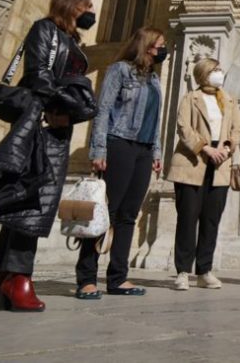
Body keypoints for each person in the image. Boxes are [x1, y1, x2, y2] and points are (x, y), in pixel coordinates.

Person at [0, 0, 96, 312]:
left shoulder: (73, 42)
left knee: (27, 200)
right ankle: (18, 279)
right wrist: (67, 105)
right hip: (42, 125)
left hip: (58, 126)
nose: (91, 12)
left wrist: (72, 110)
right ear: (71, 6)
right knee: (34, 202)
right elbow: (39, 76)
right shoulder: (45, 30)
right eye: (86, 6)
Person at [75, 26, 167, 299]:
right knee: (106, 213)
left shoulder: (154, 79)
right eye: (160, 44)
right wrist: (98, 149)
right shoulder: (120, 70)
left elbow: (155, 119)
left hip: (144, 149)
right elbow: (102, 110)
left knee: (129, 215)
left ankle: (118, 277)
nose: (163, 49)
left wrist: (157, 152)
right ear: (147, 46)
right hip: (119, 143)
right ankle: (87, 278)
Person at [167, 57, 240, 290]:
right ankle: (182, 271)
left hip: (220, 164)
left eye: (220, 69)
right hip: (193, 162)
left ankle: (204, 270)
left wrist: (227, 148)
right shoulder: (191, 98)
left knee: (211, 219)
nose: (219, 73)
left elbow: (236, 128)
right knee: (188, 218)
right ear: (203, 74)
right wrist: (205, 148)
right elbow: (183, 127)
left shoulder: (229, 100)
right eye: (215, 70)